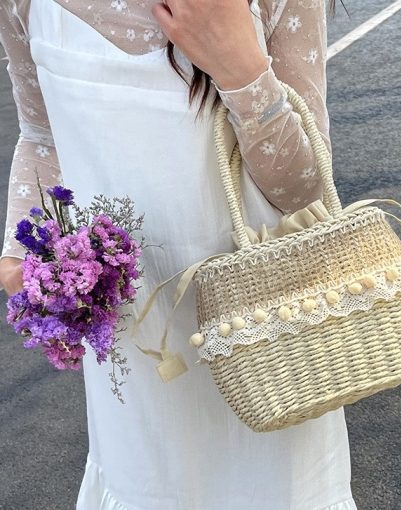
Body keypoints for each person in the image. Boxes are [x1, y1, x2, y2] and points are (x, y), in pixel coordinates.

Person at [0, 0, 358, 508]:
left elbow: (308, 196)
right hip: (134, 350)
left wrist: (241, 70)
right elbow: (41, 135)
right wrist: (19, 250)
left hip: (267, 340)